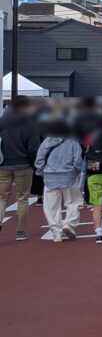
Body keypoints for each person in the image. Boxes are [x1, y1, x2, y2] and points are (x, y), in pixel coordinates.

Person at [0, 96, 43, 242]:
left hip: (3, 165)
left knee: (2, 198)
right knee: (22, 198)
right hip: (23, 165)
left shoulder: (2, 120)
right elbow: (33, 147)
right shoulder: (30, 123)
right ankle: (21, 232)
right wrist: (33, 164)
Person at [35, 118, 84, 242]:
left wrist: (42, 172)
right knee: (74, 201)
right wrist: (75, 171)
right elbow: (78, 161)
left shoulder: (46, 142)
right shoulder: (73, 141)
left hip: (50, 177)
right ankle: (69, 224)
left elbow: (39, 160)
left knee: (51, 206)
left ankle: (56, 233)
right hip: (68, 176)